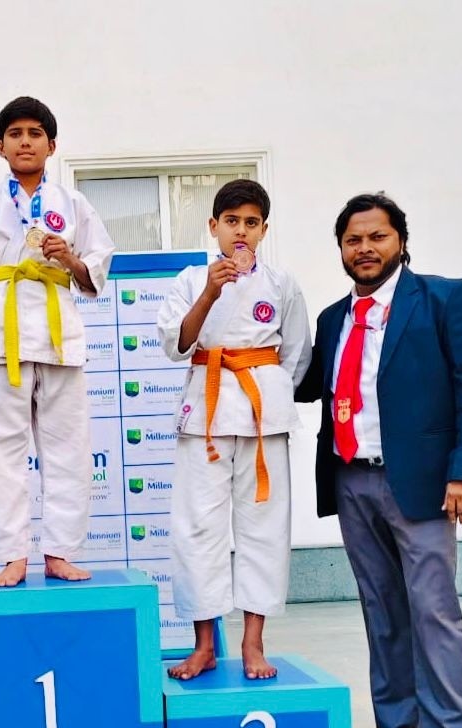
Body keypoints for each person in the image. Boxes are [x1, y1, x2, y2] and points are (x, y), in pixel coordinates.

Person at [295, 192, 462, 728]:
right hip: (352, 482)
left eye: (377, 237)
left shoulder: (446, 298)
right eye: (353, 240)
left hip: (424, 485)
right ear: (341, 249)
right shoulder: (333, 318)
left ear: (400, 242)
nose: (365, 249)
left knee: (434, 614)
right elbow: (307, 383)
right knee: (382, 613)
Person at [0, 96, 114, 587]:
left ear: (51, 145)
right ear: (0, 146)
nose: (25, 142)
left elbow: (96, 268)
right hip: (3, 336)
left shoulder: (74, 204)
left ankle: (60, 552)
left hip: (60, 339)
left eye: (35, 133)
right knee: (0, 452)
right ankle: (11, 554)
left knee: (70, 450)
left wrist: (70, 259)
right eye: (15, 134)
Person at [157, 179, 311, 680]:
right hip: (205, 412)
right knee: (197, 527)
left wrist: (269, 393)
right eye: (231, 222)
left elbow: (296, 355)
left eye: (250, 223)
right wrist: (210, 291)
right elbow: (176, 344)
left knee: (263, 528)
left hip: (262, 415)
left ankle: (253, 642)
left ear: (263, 230)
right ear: (213, 226)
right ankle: (204, 643)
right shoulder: (189, 280)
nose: (240, 231)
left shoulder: (282, 283)